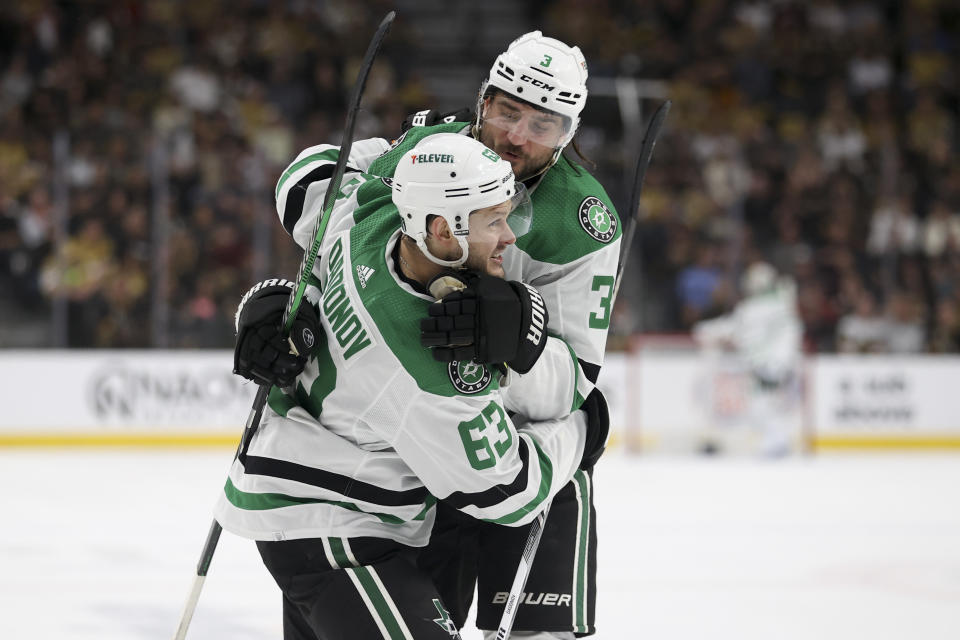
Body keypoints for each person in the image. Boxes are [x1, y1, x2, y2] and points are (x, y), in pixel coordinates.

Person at [267, 31, 619, 638]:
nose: (516, 137)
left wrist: (518, 348)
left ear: (569, 133)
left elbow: (572, 387)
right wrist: (298, 299)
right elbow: (321, 181)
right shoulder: (433, 148)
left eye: (543, 124)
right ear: (483, 100)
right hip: (422, 457)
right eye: (508, 111)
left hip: (500, 435)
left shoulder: (584, 226)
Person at [692, 261, 804, 456]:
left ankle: (777, 441)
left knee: (760, 406)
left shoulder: (756, 307)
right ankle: (777, 440)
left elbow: (733, 328)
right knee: (764, 404)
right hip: (782, 363)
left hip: (767, 363)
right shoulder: (783, 304)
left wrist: (703, 330)